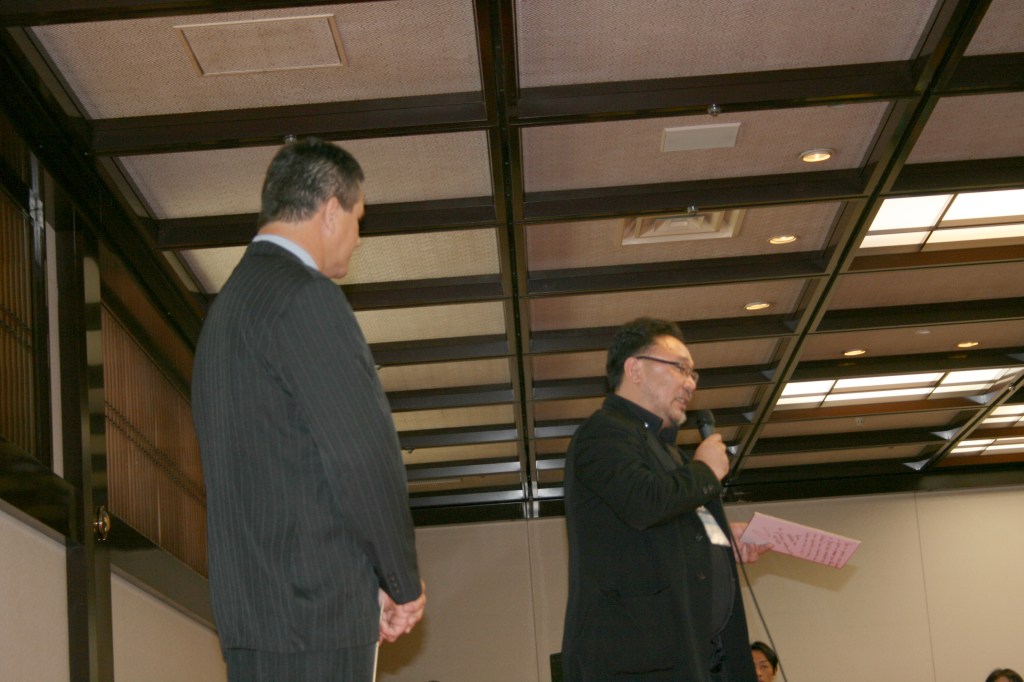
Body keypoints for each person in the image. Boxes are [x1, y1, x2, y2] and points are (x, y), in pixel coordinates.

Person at [192, 138, 425, 681]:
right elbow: (362, 455)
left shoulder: (226, 313)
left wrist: (371, 586)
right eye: (359, 219)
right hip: (315, 612)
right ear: (331, 210)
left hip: (254, 616)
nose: (358, 238)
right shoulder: (305, 296)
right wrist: (400, 580)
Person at [561, 317, 771, 681]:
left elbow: (671, 516)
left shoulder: (670, 454)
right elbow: (644, 502)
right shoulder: (604, 433)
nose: (691, 383)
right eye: (680, 368)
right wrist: (705, 471)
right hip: (635, 661)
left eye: (693, 374)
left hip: (693, 656)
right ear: (635, 369)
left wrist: (722, 538)